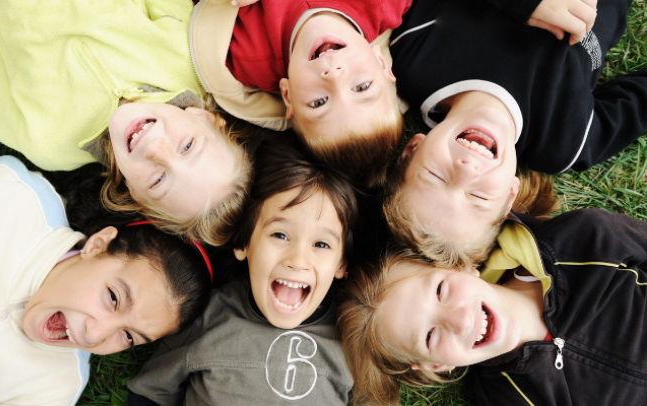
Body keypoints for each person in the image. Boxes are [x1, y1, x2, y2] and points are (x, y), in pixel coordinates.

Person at [384, 0, 647, 268]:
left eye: (436, 176)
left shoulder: (413, 55)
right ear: (510, 193)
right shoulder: (566, 144)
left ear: (412, 149)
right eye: (479, 197)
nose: (466, 170)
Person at [0, 0, 255, 246]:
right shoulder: (184, 54)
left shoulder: (49, 143)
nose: (155, 149)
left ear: (134, 193)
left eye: (158, 180)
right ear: (205, 117)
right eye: (187, 146)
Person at [126, 139, 357, 405]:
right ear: (243, 243)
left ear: (341, 264)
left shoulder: (352, 339)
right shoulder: (207, 317)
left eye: (321, 244)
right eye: (280, 235)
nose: (298, 260)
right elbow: (151, 392)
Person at [339, 208, 647, 406]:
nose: (460, 320)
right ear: (435, 365)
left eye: (441, 290)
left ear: (460, 266)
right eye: (430, 336)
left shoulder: (582, 241)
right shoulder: (509, 399)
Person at [0, 153, 212, 406]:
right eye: (113, 298)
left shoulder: (55, 389)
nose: (94, 336)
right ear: (98, 244)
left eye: (129, 337)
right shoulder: (15, 197)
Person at [190, 0, 410, 187]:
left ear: (288, 96)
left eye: (319, 102)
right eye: (362, 87)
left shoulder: (248, 56)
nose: (334, 76)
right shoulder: (384, 4)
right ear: (382, 63)